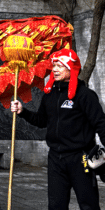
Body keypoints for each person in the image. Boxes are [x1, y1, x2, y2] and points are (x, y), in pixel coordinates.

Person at [10, 49, 105, 210]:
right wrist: (22, 111)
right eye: (54, 65)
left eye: (60, 66)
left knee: (89, 205)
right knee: (55, 205)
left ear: (72, 68)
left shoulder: (85, 95)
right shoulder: (49, 95)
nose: (54, 69)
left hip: (80, 158)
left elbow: (101, 124)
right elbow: (41, 121)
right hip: (55, 159)